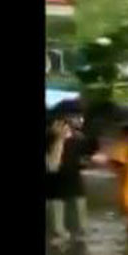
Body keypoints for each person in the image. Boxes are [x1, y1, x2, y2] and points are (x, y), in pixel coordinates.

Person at [46, 102, 98, 244]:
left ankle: (79, 241)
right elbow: (52, 166)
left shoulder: (80, 138)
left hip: (75, 184)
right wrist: (60, 139)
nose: (80, 119)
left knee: (81, 226)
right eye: (76, 116)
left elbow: (84, 159)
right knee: (59, 231)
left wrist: (87, 161)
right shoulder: (51, 136)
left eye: (81, 116)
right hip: (55, 187)